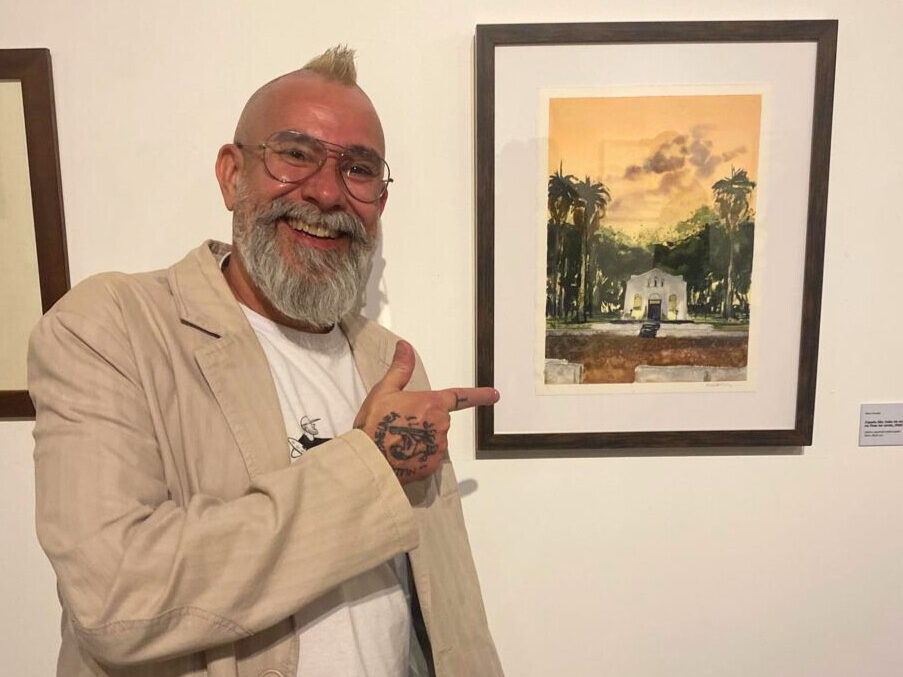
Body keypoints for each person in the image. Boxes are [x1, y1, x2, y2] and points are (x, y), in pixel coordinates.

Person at [28, 46, 504, 677]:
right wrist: (368, 466)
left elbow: (442, 611)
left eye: (359, 169)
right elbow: (115, 600)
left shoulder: (392, 362)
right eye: (296, 154)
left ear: (380, 203)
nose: (329, 191)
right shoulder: (112, 327)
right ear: (232, 174)